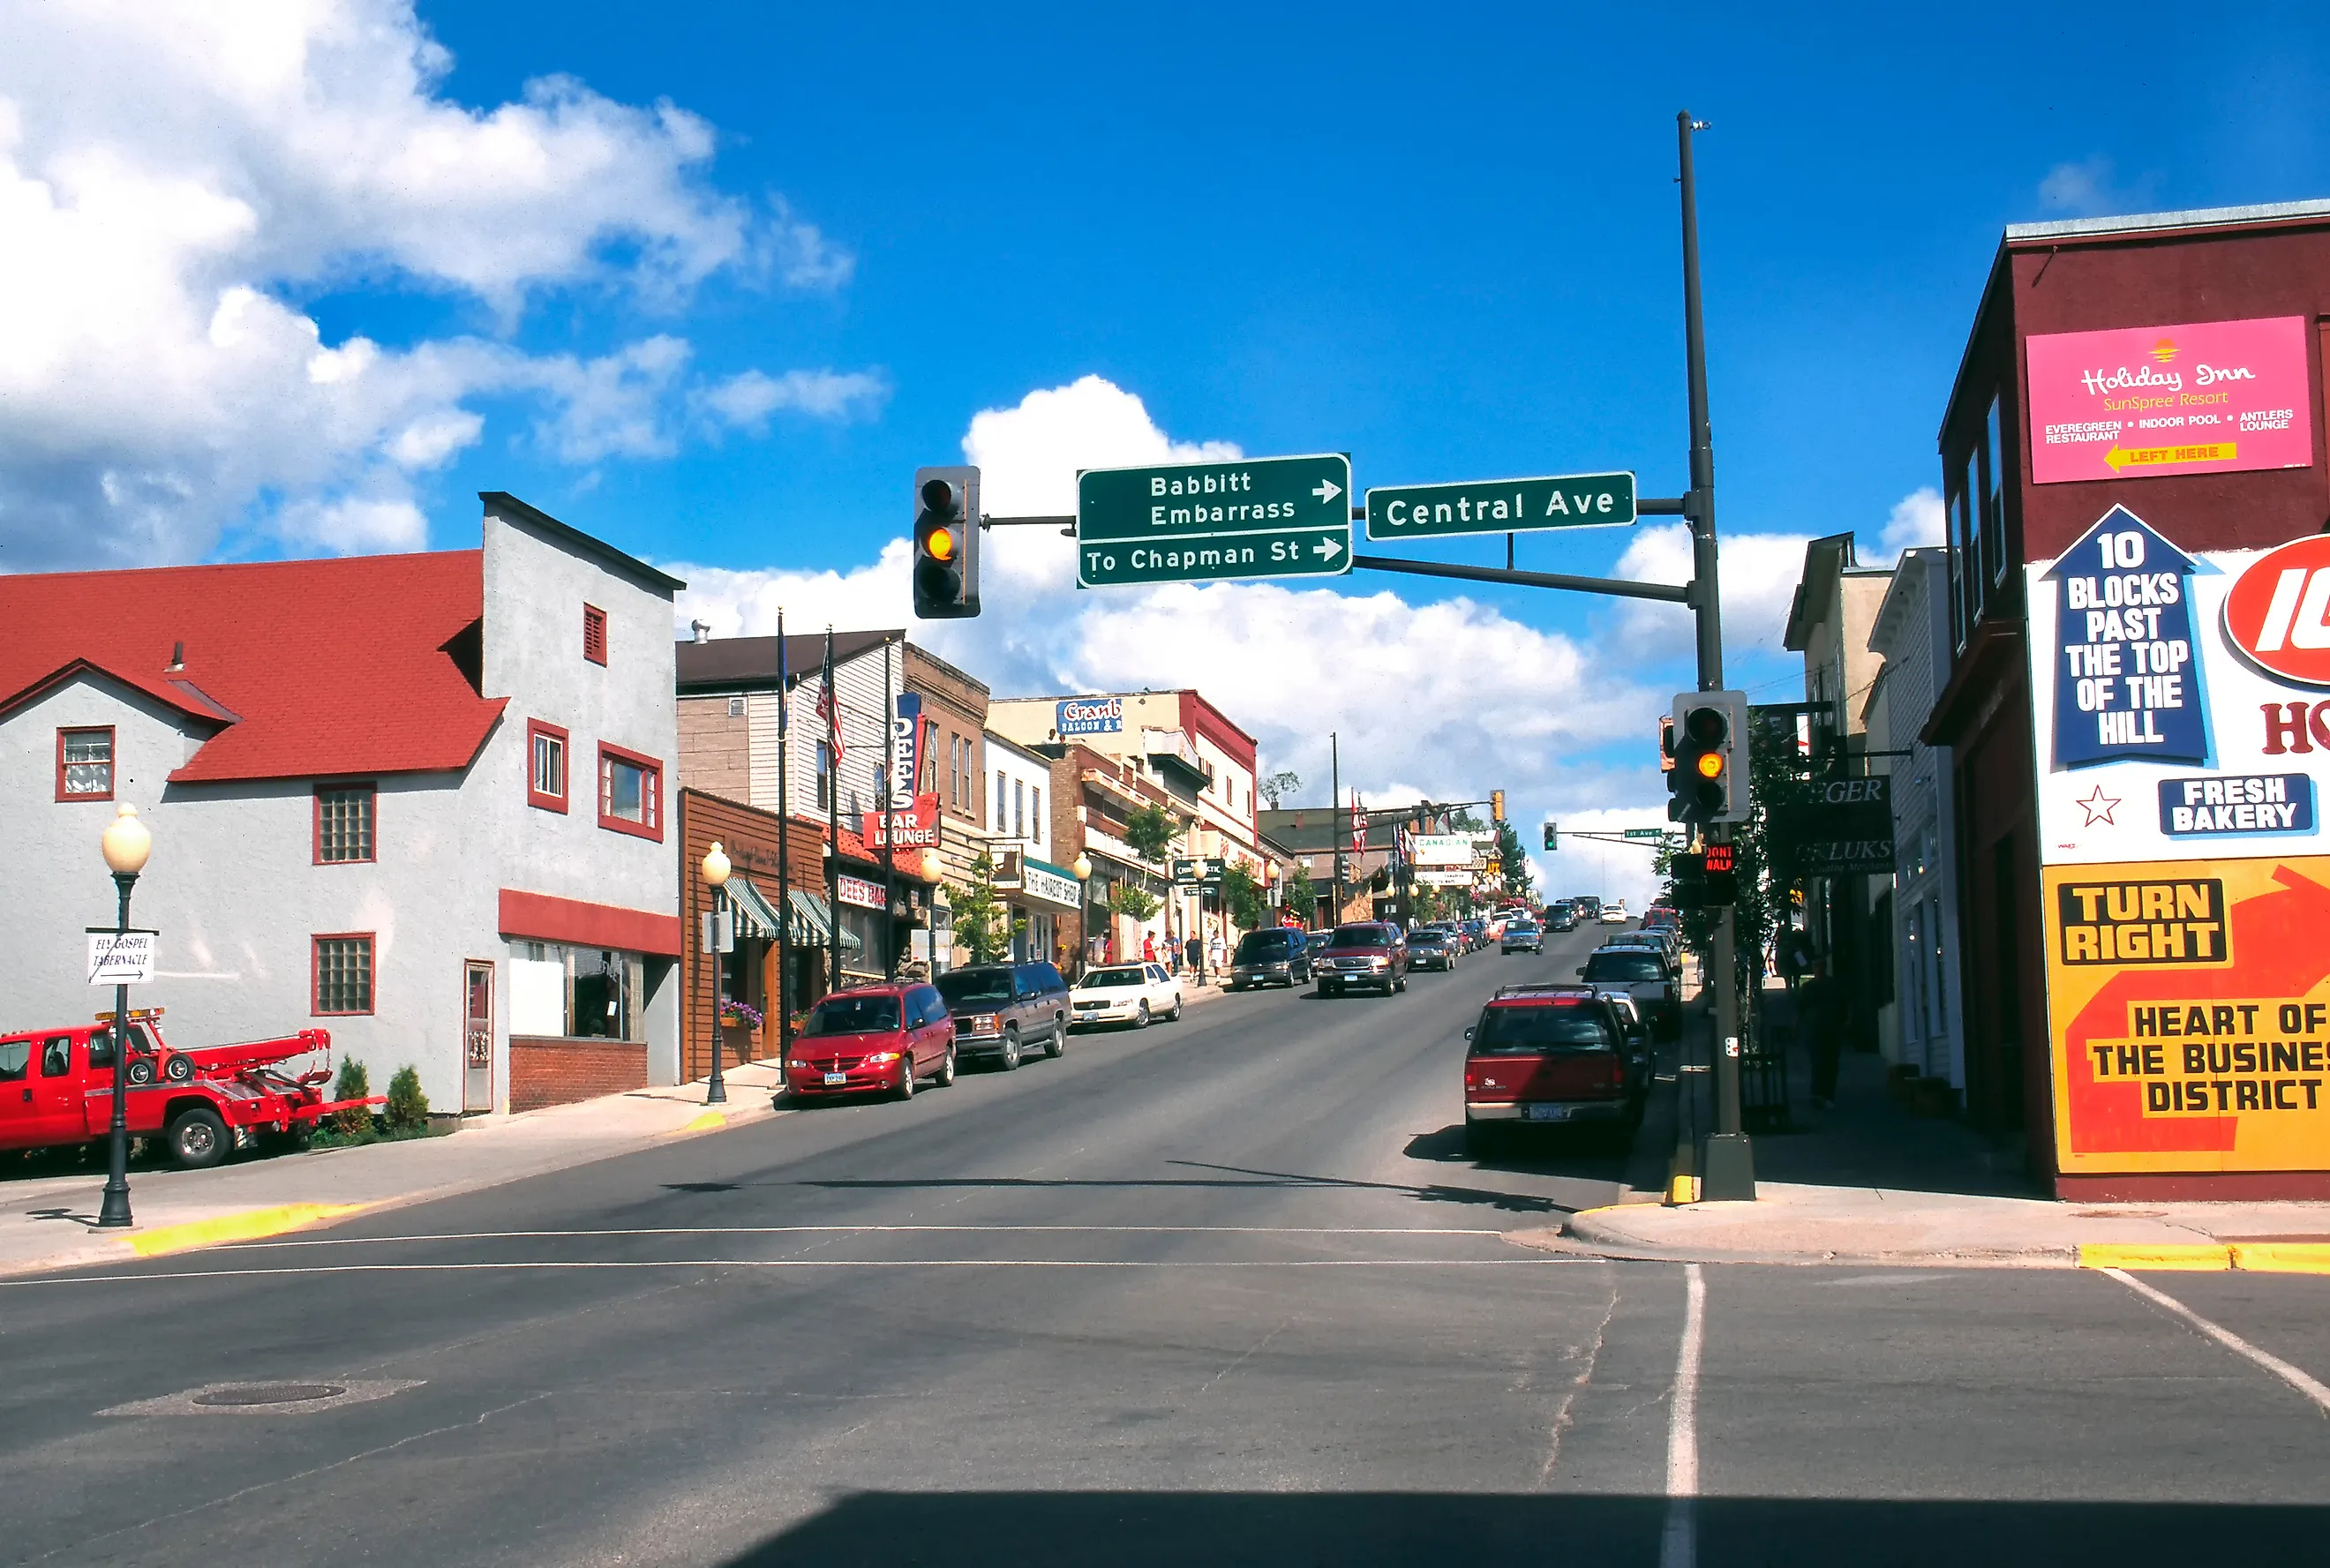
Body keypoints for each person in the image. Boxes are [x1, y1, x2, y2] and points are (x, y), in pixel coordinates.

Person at [1797, 959, 1843, 1109]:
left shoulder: (1833, 985)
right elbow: (1800, 1008)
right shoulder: (1808, 988)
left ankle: (1827, 1094)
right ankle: (1818, 1094)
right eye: (1816, 966)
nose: (1819, 969)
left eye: (1820, 966)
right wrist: (1796, 1025)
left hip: (1831, 1028)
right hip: (1814, 1029)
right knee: (1818, 1062)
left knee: (1830, 1062)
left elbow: (1844, 1002)